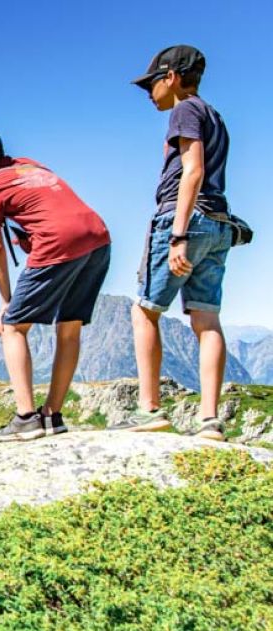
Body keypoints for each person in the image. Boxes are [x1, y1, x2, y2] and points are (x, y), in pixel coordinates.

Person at [0, 129, 111, 442]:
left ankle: (26, 417)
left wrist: (6, 301)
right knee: (69, 327)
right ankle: (52, 415)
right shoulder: (30, 164)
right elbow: (4, 183)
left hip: (58, 241)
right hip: (98, 237)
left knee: (14, 326)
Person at [121, 45, 232, 441]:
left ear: (170, 77)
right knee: (207, 319)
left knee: (145, 311)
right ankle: (209, 420)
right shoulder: (214, 116)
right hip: (219, 223)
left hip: (186, 216)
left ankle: (149, 409)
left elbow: (193, 169)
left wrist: (178, 234)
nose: (149, 93)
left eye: (151, 84)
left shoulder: (184, 110)